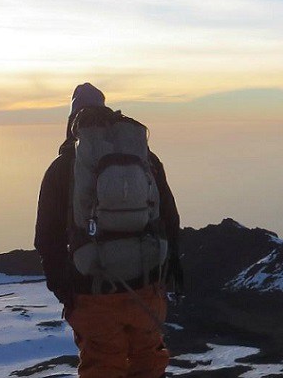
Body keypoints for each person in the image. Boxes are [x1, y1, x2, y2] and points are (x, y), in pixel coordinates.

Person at [35, 83, 184, 378]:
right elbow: (169, 217)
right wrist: (167, 270)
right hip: (147, 284)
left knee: (103, 367)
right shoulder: (145, 159)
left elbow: (46, 239)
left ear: (73, 121)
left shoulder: (62, 168)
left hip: (93, 291)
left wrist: (66, 291)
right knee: (148, 362)